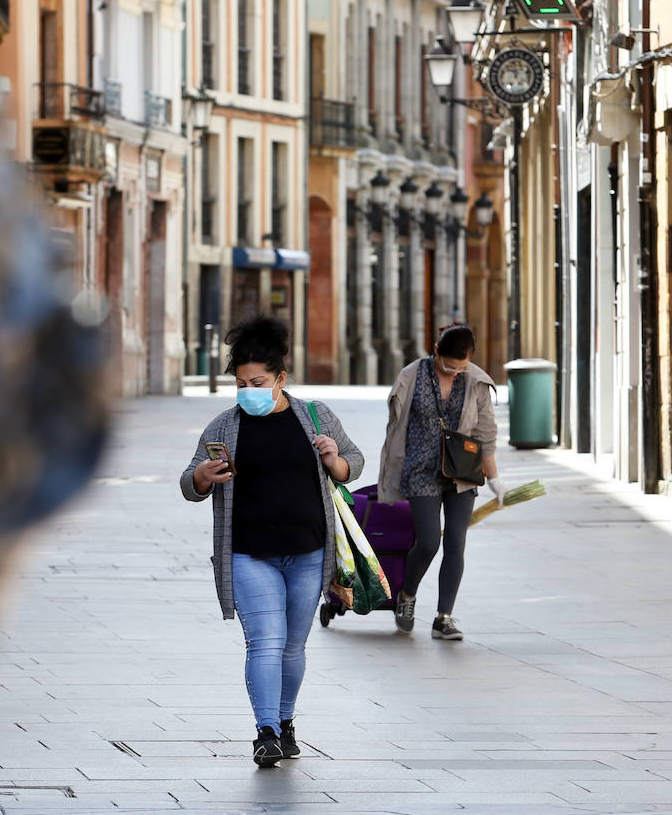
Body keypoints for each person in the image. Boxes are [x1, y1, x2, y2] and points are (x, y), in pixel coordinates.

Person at [180, 316, 363, 768]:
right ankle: (264, 731)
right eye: (240, 384)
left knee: (292, 647)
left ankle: (285, 723)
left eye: (257, 382)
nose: (248, 392)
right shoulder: (223, 427)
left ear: (281, 378)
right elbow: (190, 481)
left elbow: (353, 463)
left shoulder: (314, 415)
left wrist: (334, 460)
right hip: (248, 554)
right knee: (264, 640)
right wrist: (202, 477)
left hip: (309, 552)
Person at [378, 325, 504, 642]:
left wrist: (495, 478)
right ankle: (406, 595)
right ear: (435, 350)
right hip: (421, 471)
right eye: (448, 364)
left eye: (460, 366)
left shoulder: (476, 381)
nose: (454, 370)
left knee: (456, 542)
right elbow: (396, 426)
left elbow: (486, 433)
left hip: (462, 473)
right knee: (429, 542)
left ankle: (443, 617)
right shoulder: (411, 376)